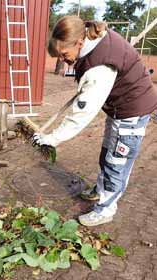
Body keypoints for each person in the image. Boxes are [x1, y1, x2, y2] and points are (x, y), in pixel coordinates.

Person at [33, 16, 157, 226]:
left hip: (131, 111)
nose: (63, 60)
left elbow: (81, 115)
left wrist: (52, 138)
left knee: (117, 162)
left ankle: (106, 209)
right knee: (107, 152)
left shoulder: (99, 66)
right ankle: (100, 191)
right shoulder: (91, 37)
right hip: (118, 107)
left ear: (79, 43)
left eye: (64, 54)